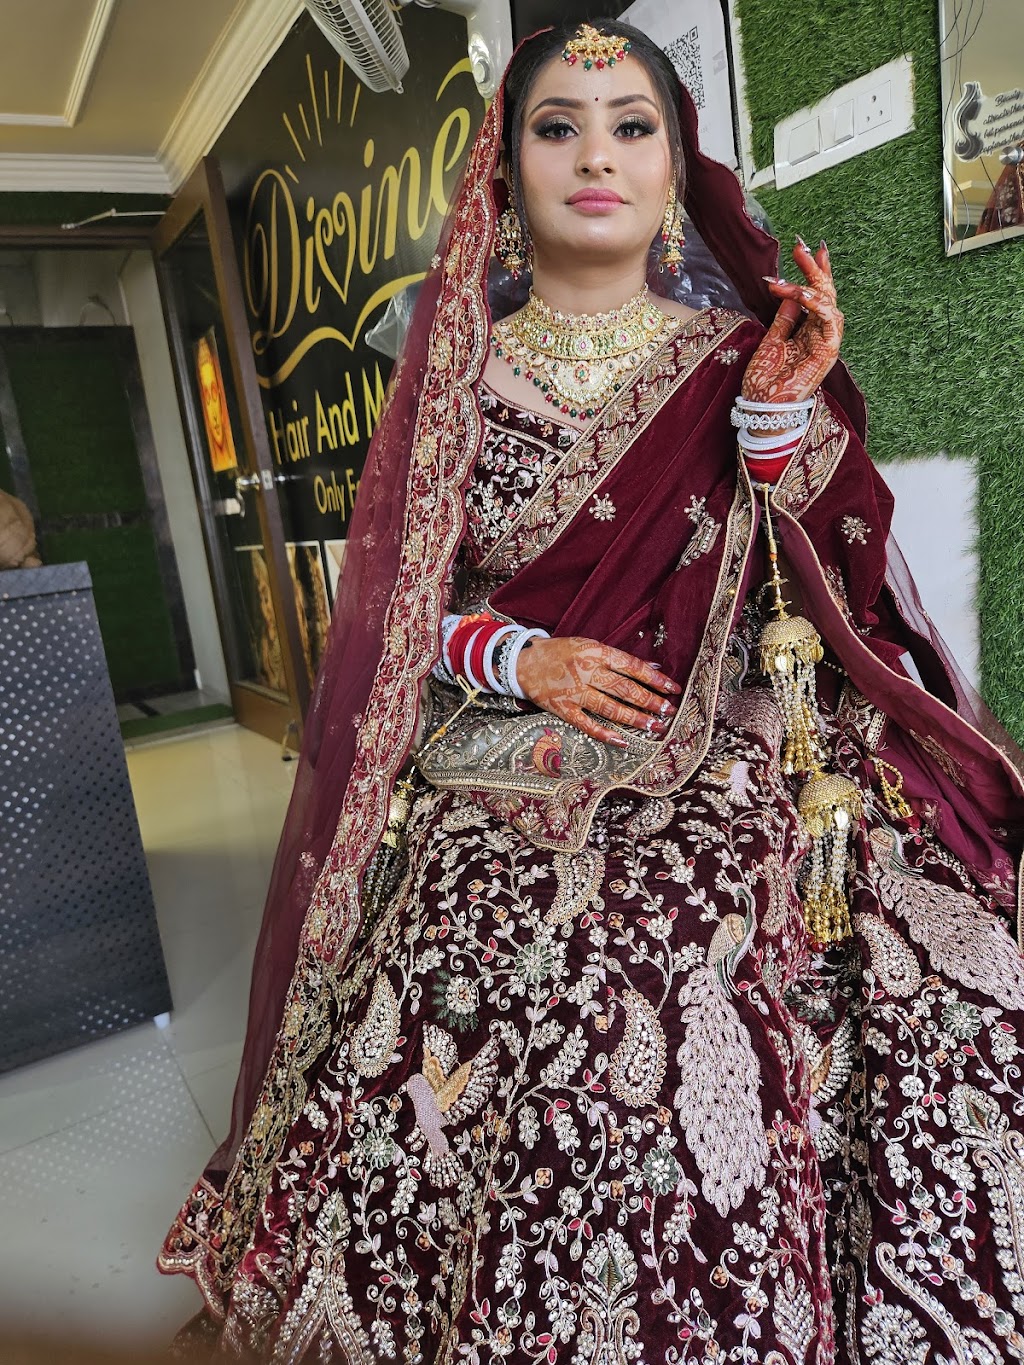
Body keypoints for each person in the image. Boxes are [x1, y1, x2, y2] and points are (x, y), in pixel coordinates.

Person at [160, 20, 1024, 1363]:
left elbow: (832, 558)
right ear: (508, 169)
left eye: (633, 127)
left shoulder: (736, 351)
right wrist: (520, 659)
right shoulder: (452, 372)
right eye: (558, 126)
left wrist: (772, 426)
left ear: (677, 168)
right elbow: (396, 611)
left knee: (764, 922)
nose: (597, 156)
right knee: (518, 941)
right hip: (512, 738)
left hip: (723, 718)